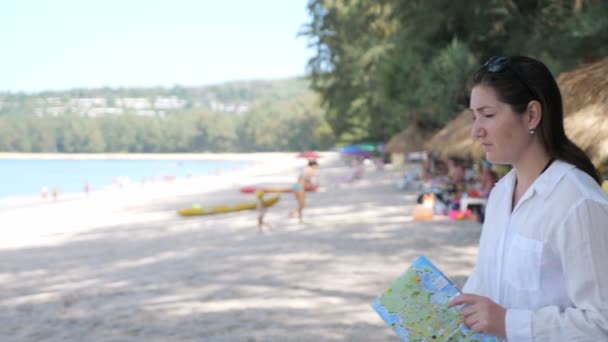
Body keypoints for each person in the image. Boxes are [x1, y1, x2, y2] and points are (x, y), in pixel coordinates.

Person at [447, 56, 608, 340]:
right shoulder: (499, 195)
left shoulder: (579, 202)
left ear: (532, 115)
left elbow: (602, 323)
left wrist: (508, 322)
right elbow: (485, 285)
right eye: (474, 117)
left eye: (488, 114)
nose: (476, 131)